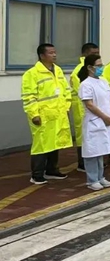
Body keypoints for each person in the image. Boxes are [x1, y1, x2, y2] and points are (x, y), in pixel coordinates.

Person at [22, 44, 72, 185]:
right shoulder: (32, 74)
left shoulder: (58, 70)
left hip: (58, 113)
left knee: (55, 142)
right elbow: (29, 96)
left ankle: (52, 170)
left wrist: (66, 107)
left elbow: (66, 90)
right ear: (42, 56)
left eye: (55, 52)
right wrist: (34, 114)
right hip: (42, 115)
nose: (54, 55)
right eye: (50, 53)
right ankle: (37, 174)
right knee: (41, 145)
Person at [77, 54, 110, 191]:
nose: (101, 68)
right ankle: (92, 179)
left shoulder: (103, 81)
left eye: (101, 65)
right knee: (92, 152)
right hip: (94, 121)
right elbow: (89, 104)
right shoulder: (85, 84)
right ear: (90, 67)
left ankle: (100, 177)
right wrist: (104, 117)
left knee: (101, 150)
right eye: (98, 66)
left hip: (106, 121)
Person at [70, 42, 100, 173]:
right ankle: (82, 163)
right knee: (83, 136)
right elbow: (83, 92)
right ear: (84, 54)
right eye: (93, 53)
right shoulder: (79, 71)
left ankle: (93, 161)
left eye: (97, 53)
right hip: (83, 108)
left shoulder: (95, 69)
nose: (96, 55)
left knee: (94, 135)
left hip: (94, 107)